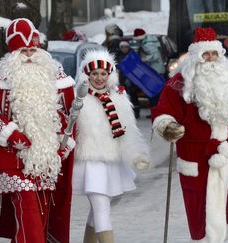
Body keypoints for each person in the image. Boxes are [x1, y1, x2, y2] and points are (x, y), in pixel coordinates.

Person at [0, 18, 76, 243]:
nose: (28, 55)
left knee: (40, 214)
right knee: (28, 212)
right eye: (23, 50)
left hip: (46, 161)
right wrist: (10, 134)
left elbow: (68, 120)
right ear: (12, 51)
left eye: (32, 49)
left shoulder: (56, 78)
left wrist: (63, 147)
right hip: (11, 159)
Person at [151, 27, 228, 242]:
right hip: (196, 159)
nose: (210, 59)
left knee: (224, 207)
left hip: (227, 158)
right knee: (198, 212)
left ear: (220, 56)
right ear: (195, 56)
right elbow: (162, 112)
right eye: (205, 54)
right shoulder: (177, 86)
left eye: (214, 54)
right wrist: (167, 127)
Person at [73, 49, 150, 243]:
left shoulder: (118, 97)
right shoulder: (78, 98)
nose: (99, 78)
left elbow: (128, 130)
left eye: (103, 73)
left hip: (111, 161)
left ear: (110, 75)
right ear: (87, 75)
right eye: (94, 73)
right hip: (89, 162)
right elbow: (67, 128)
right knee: (101, 207)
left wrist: (136, 154)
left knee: (98, 208)